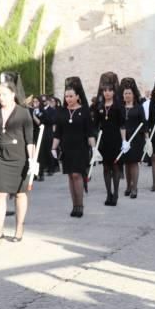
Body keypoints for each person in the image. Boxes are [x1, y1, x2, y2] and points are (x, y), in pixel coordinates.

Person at [0, 80, 37, 243]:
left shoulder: (23, 113)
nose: (1, 97)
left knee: (20, 194)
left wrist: (32, 161)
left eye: (4, 94)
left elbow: (30, 140)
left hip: (19, 157)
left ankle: (19, 228)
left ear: (12, 94)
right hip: (0, 156)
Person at [52, 85, 96, 217]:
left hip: (81, 148)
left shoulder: (84, 111)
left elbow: (90, 132)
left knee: (77, 175)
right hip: (66, 148)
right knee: (70, 176)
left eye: (71, 96)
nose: (68, 99)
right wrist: (53, 148)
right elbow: (58, 133)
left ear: (77, 96)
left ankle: (80, 205)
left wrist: (94, 149)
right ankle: (74, 205)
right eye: (66, 96)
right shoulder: (62, 112)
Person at [92, 79, 125, 205]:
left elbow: (122, 124)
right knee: (106, 168)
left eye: (109, 90)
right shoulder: (99, 107)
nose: (107, 93)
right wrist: (94, 142)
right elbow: (95, 125)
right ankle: (108, 194)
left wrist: (124, 141)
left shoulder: (118, 106)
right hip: (104, 141)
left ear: (113, 92)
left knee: (115, 167)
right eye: (104, 90)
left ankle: (116, 193)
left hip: (116, 140)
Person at [119, 78, 148, 199]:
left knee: (134, 163)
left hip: (136, 139)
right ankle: (128, 186)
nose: (127, 95)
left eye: (129, 93)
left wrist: (147, 139)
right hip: (123, 139)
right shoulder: (120, 108)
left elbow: (144, 123)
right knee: (126, 163)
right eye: (125, 93)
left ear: (133, 94)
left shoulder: (138, 107)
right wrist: (123, 140)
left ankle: (135, 188)